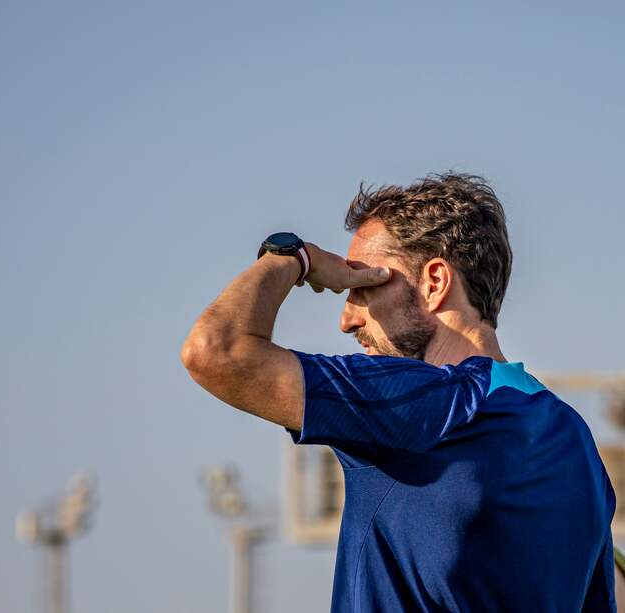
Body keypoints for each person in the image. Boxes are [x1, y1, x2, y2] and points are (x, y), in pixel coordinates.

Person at [181, 173, 616, 611]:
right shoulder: (577, 444)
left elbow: (215, 351)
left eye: (362, 286)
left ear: (434, 282)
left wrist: (292, 257)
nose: (346, 319)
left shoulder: (430, 403)